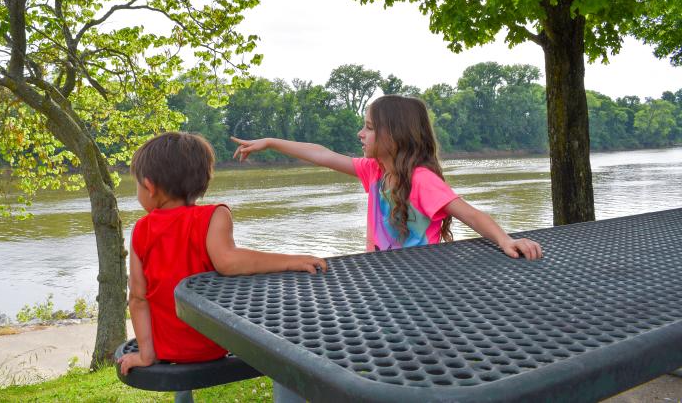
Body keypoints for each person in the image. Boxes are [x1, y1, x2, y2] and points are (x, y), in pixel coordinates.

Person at [232, 95, 542, 259]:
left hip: (420, 283)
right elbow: (321, 154)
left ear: (393, 135)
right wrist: (271, 142)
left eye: (368, 127)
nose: (360, 134)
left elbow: (470, 214)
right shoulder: (374, 171)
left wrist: (506, 240)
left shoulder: (421, 180)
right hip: (382, 276)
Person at [118, 131, 327, 375]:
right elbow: (229, 261)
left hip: (167, 350)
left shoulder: (142, 230)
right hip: (216, 345)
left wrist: (146, 353)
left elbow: (138, 297)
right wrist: (291, 261)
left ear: (149, 187)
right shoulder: (213, 216)